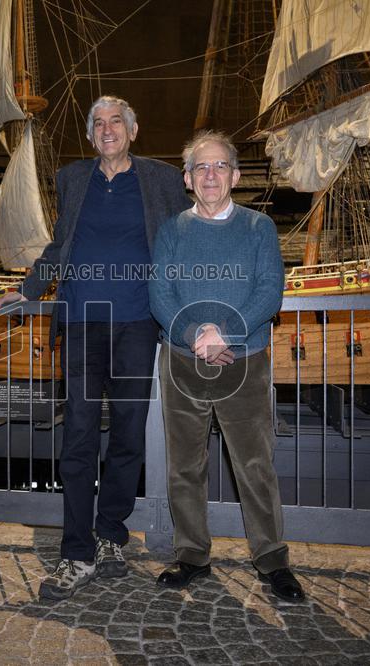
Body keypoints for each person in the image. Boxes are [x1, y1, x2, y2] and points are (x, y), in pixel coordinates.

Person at [0, 96, 191, 600]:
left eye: (116, 123)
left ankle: (111, 535)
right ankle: (76, 552)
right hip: (84, 324)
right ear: (91, 136)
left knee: (128, 434)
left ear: (133, 129)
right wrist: (30, 289)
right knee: (79, 437)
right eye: (99, 124)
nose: (108, 130)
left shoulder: (163, 180)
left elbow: (182, 241)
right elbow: (60, 245)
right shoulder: (74, 178)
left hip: (137, 323)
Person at [149, 130, 305, 602]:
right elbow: (161, 293)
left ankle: (272, 560)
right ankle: (192, 555)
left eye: (219, 166)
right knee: (185, 468)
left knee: (254, 464)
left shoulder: (259, 228)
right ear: (187, 178)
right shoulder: (171, 230)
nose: (211, 175)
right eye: (201, 167)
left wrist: (224, 335)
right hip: (182, 362)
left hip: (245, 360)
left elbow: (268, 292)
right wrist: (197, 336)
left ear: (235, 175)